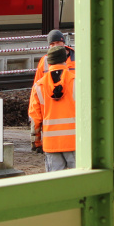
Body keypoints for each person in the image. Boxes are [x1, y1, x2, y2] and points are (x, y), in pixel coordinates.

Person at [29, 44, 77, 172]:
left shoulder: (38, 86)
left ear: (49, 62)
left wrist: (36, 142)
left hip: (51, 144)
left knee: (56, 185)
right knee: (80, 184)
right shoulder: (77, 81)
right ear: (65, 59)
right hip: (75, 142)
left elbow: (35, 119)